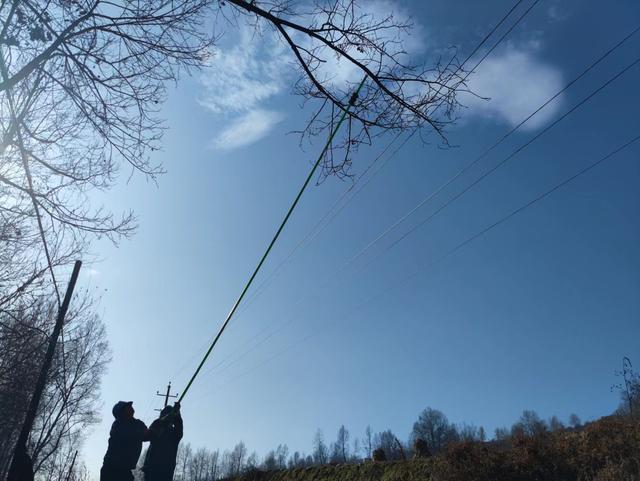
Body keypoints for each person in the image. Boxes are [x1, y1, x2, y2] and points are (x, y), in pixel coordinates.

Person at [100, 401, 150, 481]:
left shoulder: (138, 423)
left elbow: (149, 435)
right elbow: (134, 434)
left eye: (130, 405)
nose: (131, 407)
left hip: (126, 470)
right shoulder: (118, 424)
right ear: (121, 412)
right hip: (111, 469)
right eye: (127, 406)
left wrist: (163, 422)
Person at [142, 402, 183, 481]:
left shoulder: (174, 434)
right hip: (152, 469)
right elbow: (153, 431)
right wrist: (171, 416)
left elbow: (179, 426)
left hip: (165, 471)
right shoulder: (157, 425)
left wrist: (177, 415)